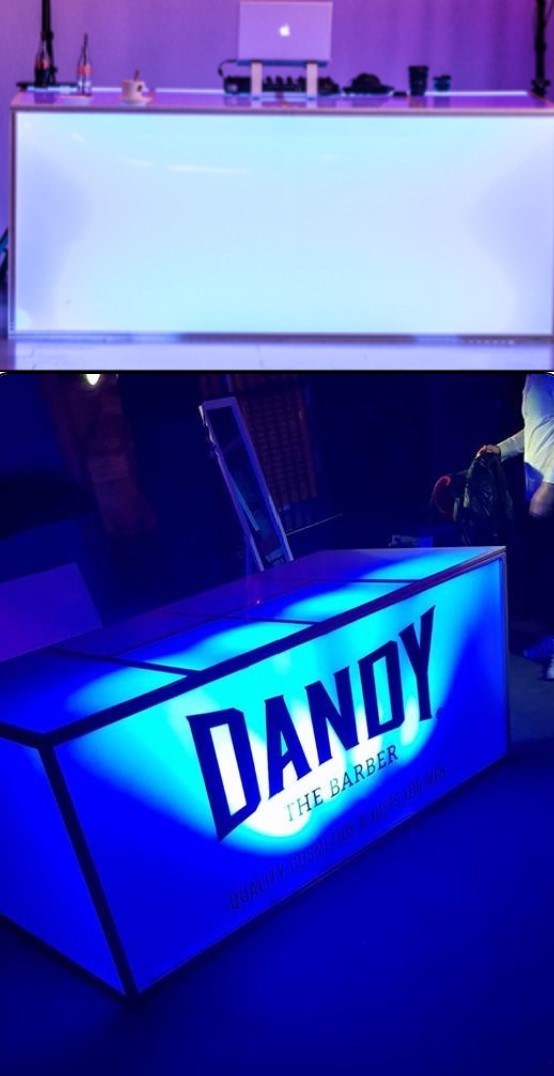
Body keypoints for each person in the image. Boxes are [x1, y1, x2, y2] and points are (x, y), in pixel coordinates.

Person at [478, 373, 554, 680]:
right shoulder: (536, 376)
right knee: (545, 571)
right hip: (539, 488)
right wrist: (502, 448)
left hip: (549, 489)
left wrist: (551, 485)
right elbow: (538, 427)